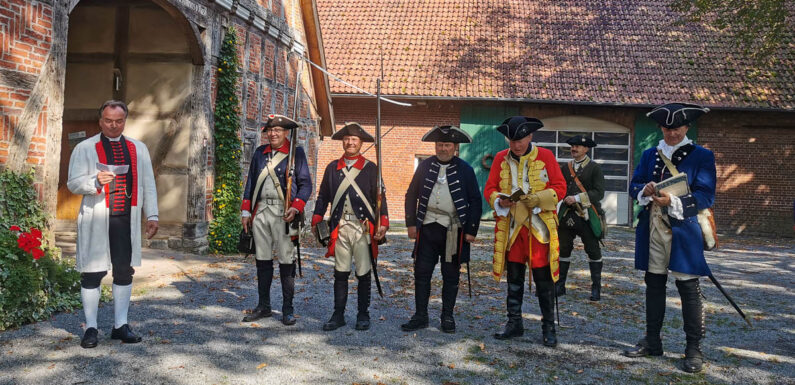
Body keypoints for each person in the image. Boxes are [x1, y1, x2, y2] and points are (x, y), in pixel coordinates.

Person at [622, 103, 716, 373]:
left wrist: (672, 201)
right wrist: (645, 189)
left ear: (687, 127)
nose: (672, 133)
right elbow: (634, 185)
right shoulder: (650, 154)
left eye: (677, 128)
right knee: (654, 284)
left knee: (688, 288)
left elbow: (705, 196)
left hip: (684, 230)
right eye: (666, 128)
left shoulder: (702, 156)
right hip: (653, 226)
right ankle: (652, 341)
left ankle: (693, 349)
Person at [67, 100, 158, 348]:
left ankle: (120, 325)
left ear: (125, 121)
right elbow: (73, 183)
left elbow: (148, 184)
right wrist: (95, 181)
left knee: (124, 271)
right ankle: (91, 328)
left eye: (119, 121)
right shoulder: (85, 148)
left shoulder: (138, 148)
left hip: (126, 220)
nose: (113, 125)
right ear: (100, 121)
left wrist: (152, 215)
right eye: (108, 120)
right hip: (96, 217)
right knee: (92, 272)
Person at [483, 116, 566, 346]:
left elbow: (560, 187)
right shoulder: (500, 158)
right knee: (514, 278)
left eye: (519, 140)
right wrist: (500, 200)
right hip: (512, 228)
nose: (516, 145)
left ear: (530, 136)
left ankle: (548, 327)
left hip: (538, 227)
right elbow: (490, 189)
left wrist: (539, 198)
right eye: (512, 141)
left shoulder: (546, 156)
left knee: (543, 279)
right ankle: (514, 323)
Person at [401, 125, 482, 333]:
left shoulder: (465, 169)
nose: (443, 148)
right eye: (439, 145)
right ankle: (420, 316)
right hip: (427, 228)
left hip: (452, 230)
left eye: (447, 145)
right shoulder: (425, 166)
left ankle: (447, 316)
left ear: (455, 147)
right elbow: (411, 195)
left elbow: (475, 200)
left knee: (450, 274)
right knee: (422, 272)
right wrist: (411, 223)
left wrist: (471, 230)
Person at [312, 122, 389, 331]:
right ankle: (338, 314)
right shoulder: (332, 168)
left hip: (362, 228)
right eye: (347, 139)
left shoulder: (371, 168)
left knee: (363, 272)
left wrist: (383, 222)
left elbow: (380, 199)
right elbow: (323, 196)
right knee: (340, 272)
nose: (350, 142)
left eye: (354, 139)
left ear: (361, 142)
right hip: (340, 226)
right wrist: (317, 217)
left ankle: (363, 314)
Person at [240, 114, 312, 326]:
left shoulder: (296, 153)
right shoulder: (259, 153)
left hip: (284, 212)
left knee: (286, 261)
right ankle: (263, 306)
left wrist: (296, 206)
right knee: (262, 259)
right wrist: (246, 211)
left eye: (277, 130)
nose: (273, 134)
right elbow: (251, 182)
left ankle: (287, 309)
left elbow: (306, 185)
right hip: (261, 210)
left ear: (286, 132)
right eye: (270, 130)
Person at [556, 135, 606, 301]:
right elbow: (560, 187)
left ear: (586, 149)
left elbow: (599, 193)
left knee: (593, 250)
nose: (574, 148)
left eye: (577, 146)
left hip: (587, 215)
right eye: (572, 146)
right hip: (567, 214)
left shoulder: (594, 168)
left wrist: (577, 198)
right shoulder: (566, 167)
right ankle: (560, 285)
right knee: (563, 248)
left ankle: (596, 288)